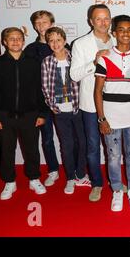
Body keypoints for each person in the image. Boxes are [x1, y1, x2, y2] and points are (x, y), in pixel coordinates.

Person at [0, 27, 48, 200]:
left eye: (19, 38)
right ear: (4, 42)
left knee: (32, 149)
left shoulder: (34, 63)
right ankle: (9, 181)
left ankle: (34, 178)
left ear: (23, 41)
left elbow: (41, 90)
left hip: (30, 114)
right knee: (6, 149)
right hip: (4, 116)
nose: (15, 41)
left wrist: (42, 113)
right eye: (11, 39)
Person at [94, 15, 130, 212]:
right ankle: (117, 191)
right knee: (113, 155)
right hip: (111, 117)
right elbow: (97, 91)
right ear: (114, 33)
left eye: (129, 29)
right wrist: (102, 118)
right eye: (121, 29)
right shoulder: (105, 57)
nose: (125, 33)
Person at [70, 4, 114, 202]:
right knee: (93, 146)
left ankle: (115, 182)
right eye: (99, 19)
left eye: (106, 18)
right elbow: (74, 75)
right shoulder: (80, 43)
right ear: (91, 21)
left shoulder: (117, 41)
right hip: (90, 105)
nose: (103, 22)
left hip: (114, 104)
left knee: (113, 147)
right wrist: (94, 62)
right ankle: (97, 184)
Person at [41, 27, 90, 195]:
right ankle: (70, 178)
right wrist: (54, 107)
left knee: (83, 143)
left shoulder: (74, 57)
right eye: (51, 41)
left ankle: (80, 174)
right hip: (60, 111)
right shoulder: (47, 62)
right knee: (66, 145)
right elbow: (46, 87)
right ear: (48, 43)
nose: (55, 44)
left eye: (58, 40)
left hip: (78, 108)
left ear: (64, 40)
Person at [24, 10, 59, 187]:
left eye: (44, 22)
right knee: (47, 138)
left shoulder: (60, 46)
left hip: (62, 100)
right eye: (37, 24)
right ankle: (53, 170)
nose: (40, 27)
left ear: (51, 24)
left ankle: (76, 171)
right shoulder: (30, 49)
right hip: (41, 102)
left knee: (71, 138)